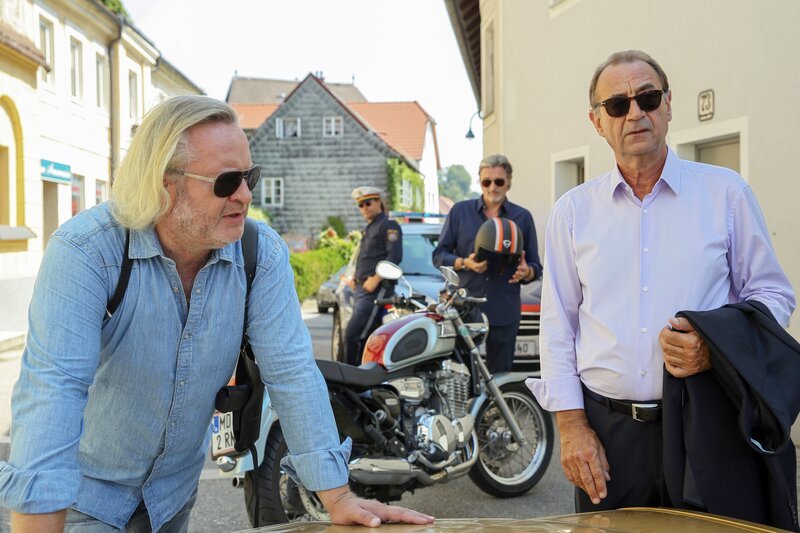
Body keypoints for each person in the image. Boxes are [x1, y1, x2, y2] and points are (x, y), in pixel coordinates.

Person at [0, 96, 434, 532]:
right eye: (227, 181)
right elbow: (53, 392)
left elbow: (292, 373)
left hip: (173, 498)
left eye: (249, 177)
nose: (245, 196)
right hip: (83, 501)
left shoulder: (258, 252)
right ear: (164, 183)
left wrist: (337, 497)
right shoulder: (87, 251)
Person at [527, 50, 795, 513]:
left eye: (647, 98)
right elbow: (557, 327)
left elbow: (773, 294)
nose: (635, 113)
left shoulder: (726, 194)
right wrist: (571, 427)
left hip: (707, 422)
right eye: (617, 105)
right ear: (597, 121)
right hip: (609, 436)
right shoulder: (572, 212)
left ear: (668, 105)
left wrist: (716, 346)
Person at [433, 154, 542, 374]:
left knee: (500, 378)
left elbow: (536, 267)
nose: (493, 187)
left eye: (499, 181)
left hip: (504, 311)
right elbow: (439, 255)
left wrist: (526, 272)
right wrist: (464, 263)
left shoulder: (522, 217)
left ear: (508, 182)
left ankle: (494, 410)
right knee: (461, 376)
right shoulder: (459, 212)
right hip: (465, 311)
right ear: (480, 182)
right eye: (487, 182)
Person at [343, 187, 402, 366]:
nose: (365, 208)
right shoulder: (370, 228)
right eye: (361, 205)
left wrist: (375, 279)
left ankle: (350, 382)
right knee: (367, 338)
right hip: (362, 290)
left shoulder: (389, 225)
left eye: (368, 203)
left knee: (353, 335)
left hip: (376, 290)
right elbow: (366, 258)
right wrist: (355, 278)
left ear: (379, 202)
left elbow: (394, 257)